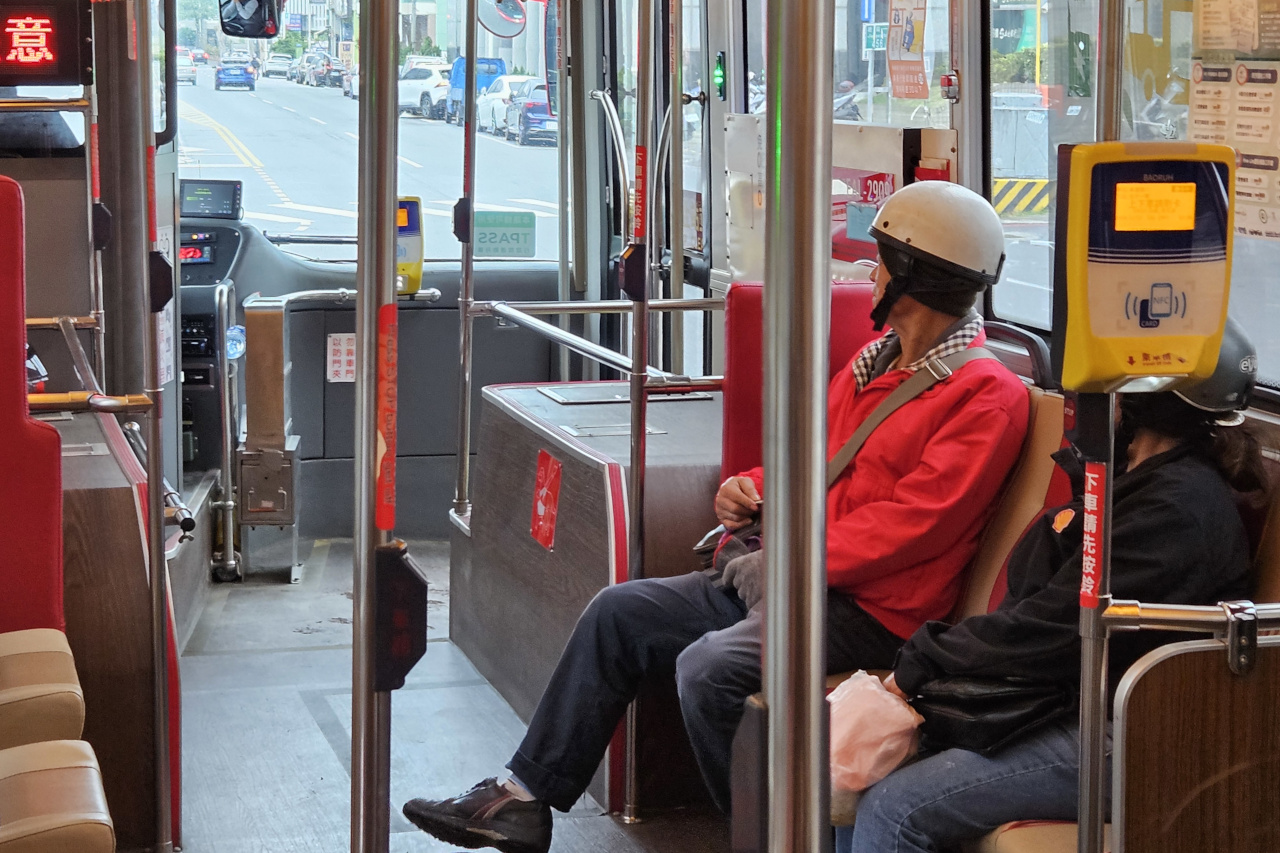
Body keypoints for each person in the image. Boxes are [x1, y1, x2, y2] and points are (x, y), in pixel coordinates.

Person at [403, 182, 1031, 853]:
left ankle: (769, 837)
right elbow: (813, 462)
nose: (869, 274)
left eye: (881, 262)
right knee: (619, 613)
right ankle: (523, 799)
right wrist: (749, 488)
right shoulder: (871, 365)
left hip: (870, 613)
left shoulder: (986, 395)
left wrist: (789, 560)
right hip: (797, 576)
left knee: (710, 668)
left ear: (914, 275)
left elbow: (914, 525)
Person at [840, 318, 1264, 853]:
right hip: (1072, 697)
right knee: (866, 769)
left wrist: (925, 659)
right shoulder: (1129, 478)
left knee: (897, 808)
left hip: (1130, 729)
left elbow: (1054, 626)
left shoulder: (1176, 511)